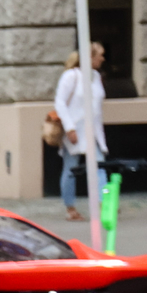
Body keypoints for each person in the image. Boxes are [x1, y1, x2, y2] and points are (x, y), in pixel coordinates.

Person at [55, 43, 107, 223]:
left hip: (93, 131)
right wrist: (69, 127)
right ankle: (70, 208)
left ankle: (104, 204)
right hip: (75, 131)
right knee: (70, 169)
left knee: (100, 167)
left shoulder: (96, 76)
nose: (102, 58)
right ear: (90, 57)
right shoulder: (71, 76)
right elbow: (60, 102)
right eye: (99, 55)